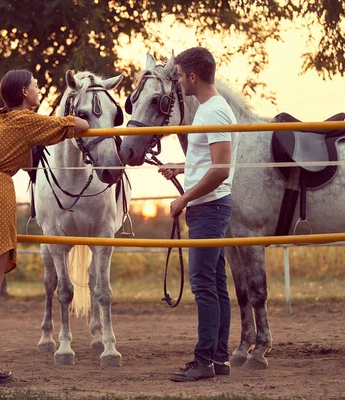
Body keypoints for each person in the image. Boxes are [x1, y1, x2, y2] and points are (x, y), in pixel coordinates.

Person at [0, 69, 89, 387]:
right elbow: (77, 125)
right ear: (25, 93)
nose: (39, 90)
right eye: (35, 86)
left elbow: (25, 158)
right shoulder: (25, 120)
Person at [159, 47, 236, 382]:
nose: (177, 80)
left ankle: (204, 360)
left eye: (178, 75)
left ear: (192, 76)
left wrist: (184, 199)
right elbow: (209, 160)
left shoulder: (214, 112)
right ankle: (218, 359)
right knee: (216, 285)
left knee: (204, 285)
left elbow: (221, 169)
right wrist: (184, 165)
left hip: (209, 207)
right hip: (209, 207)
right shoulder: (210, 110)